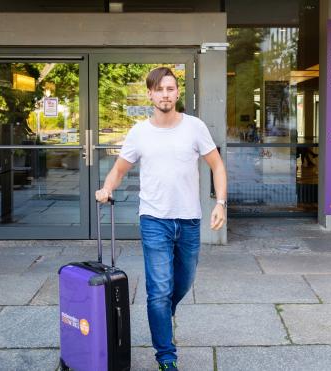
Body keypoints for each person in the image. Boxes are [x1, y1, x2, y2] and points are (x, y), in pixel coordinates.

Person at [95, 67, 227, 371]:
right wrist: (106, 188)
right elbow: (119, 168)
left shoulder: (194, 127)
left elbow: (216, 166)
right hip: (154, 220)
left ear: (177, 92)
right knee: (158, 292)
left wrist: (220, 203)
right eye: (159, 90)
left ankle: (163, 316)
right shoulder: (140, 132)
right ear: (150, 94)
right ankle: (166, 358)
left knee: (182, 283)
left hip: (190, 221)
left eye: (170, 89)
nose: (165, 94)